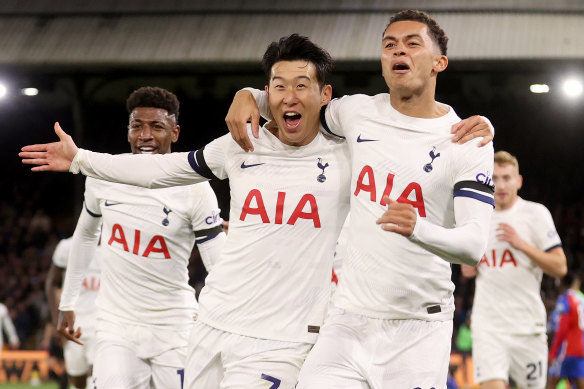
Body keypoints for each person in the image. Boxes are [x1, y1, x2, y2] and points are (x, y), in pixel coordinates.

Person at [20, 34, 492, 388]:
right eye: (277, 86)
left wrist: (476, 124)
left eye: (302, 86)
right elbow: (162, 170)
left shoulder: (351, 153)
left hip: (285, 341)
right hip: (211, 324)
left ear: (325, 97)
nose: (290, 96)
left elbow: (413, 130)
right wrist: (80, 159)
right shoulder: (241, 144)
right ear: (266, 92)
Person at [225, 10, 496, 388]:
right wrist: (248, 94)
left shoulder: (468, 141)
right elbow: (298, 101)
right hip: (348, 318)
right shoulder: (356, 112)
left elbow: (473, 246)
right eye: (389, 45)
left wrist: (420, 228)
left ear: (439, 63)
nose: (398, 50)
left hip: (418, 327)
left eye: (412, 43)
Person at [57, 86, 225, 388]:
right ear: (128, 131)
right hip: (116, 325)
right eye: (137, 126)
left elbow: (219, 265)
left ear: (174, 133)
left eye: (156, 126)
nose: (145, 135)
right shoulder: (102, 176)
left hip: (174, 325)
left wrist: (231, 318)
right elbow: (84, 237)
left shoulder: (195, 187)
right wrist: (67, 302)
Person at [461, 150, 567, 389]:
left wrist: (521, 244)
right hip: (488, 327)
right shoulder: (479, 217)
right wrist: (469, 264)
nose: (500, 184)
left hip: (527, 328)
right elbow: (467, 270)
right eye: (494, 178)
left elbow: (560, 267)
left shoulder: (535, 214)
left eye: (507, 178)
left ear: (518, 181)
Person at [46, 237, 101, 389]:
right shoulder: (66, 247)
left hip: (101, 322)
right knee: (77, 378)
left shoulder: (113, 248)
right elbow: (51, 283)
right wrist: (57, 319)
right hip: (73, 323)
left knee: (97, 373)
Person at [547, 273, 584, 389]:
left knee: (552, 382)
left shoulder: (566, 299)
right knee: (580, 383)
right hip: (581, 348)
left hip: (566, 349)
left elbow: (562, 328)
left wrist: (553, 352)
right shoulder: (582, 298)